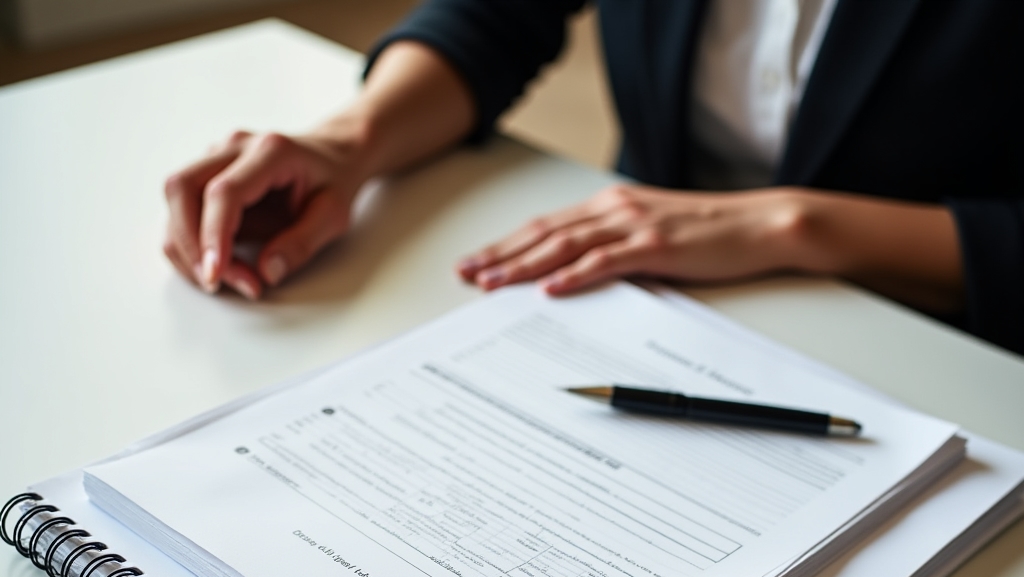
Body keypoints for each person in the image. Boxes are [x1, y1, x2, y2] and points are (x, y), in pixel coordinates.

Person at [162, 0, 1024, 354]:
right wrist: (349, 144)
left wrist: (797, 227)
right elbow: (496, 15)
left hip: (945, 335)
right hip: (646, 294)